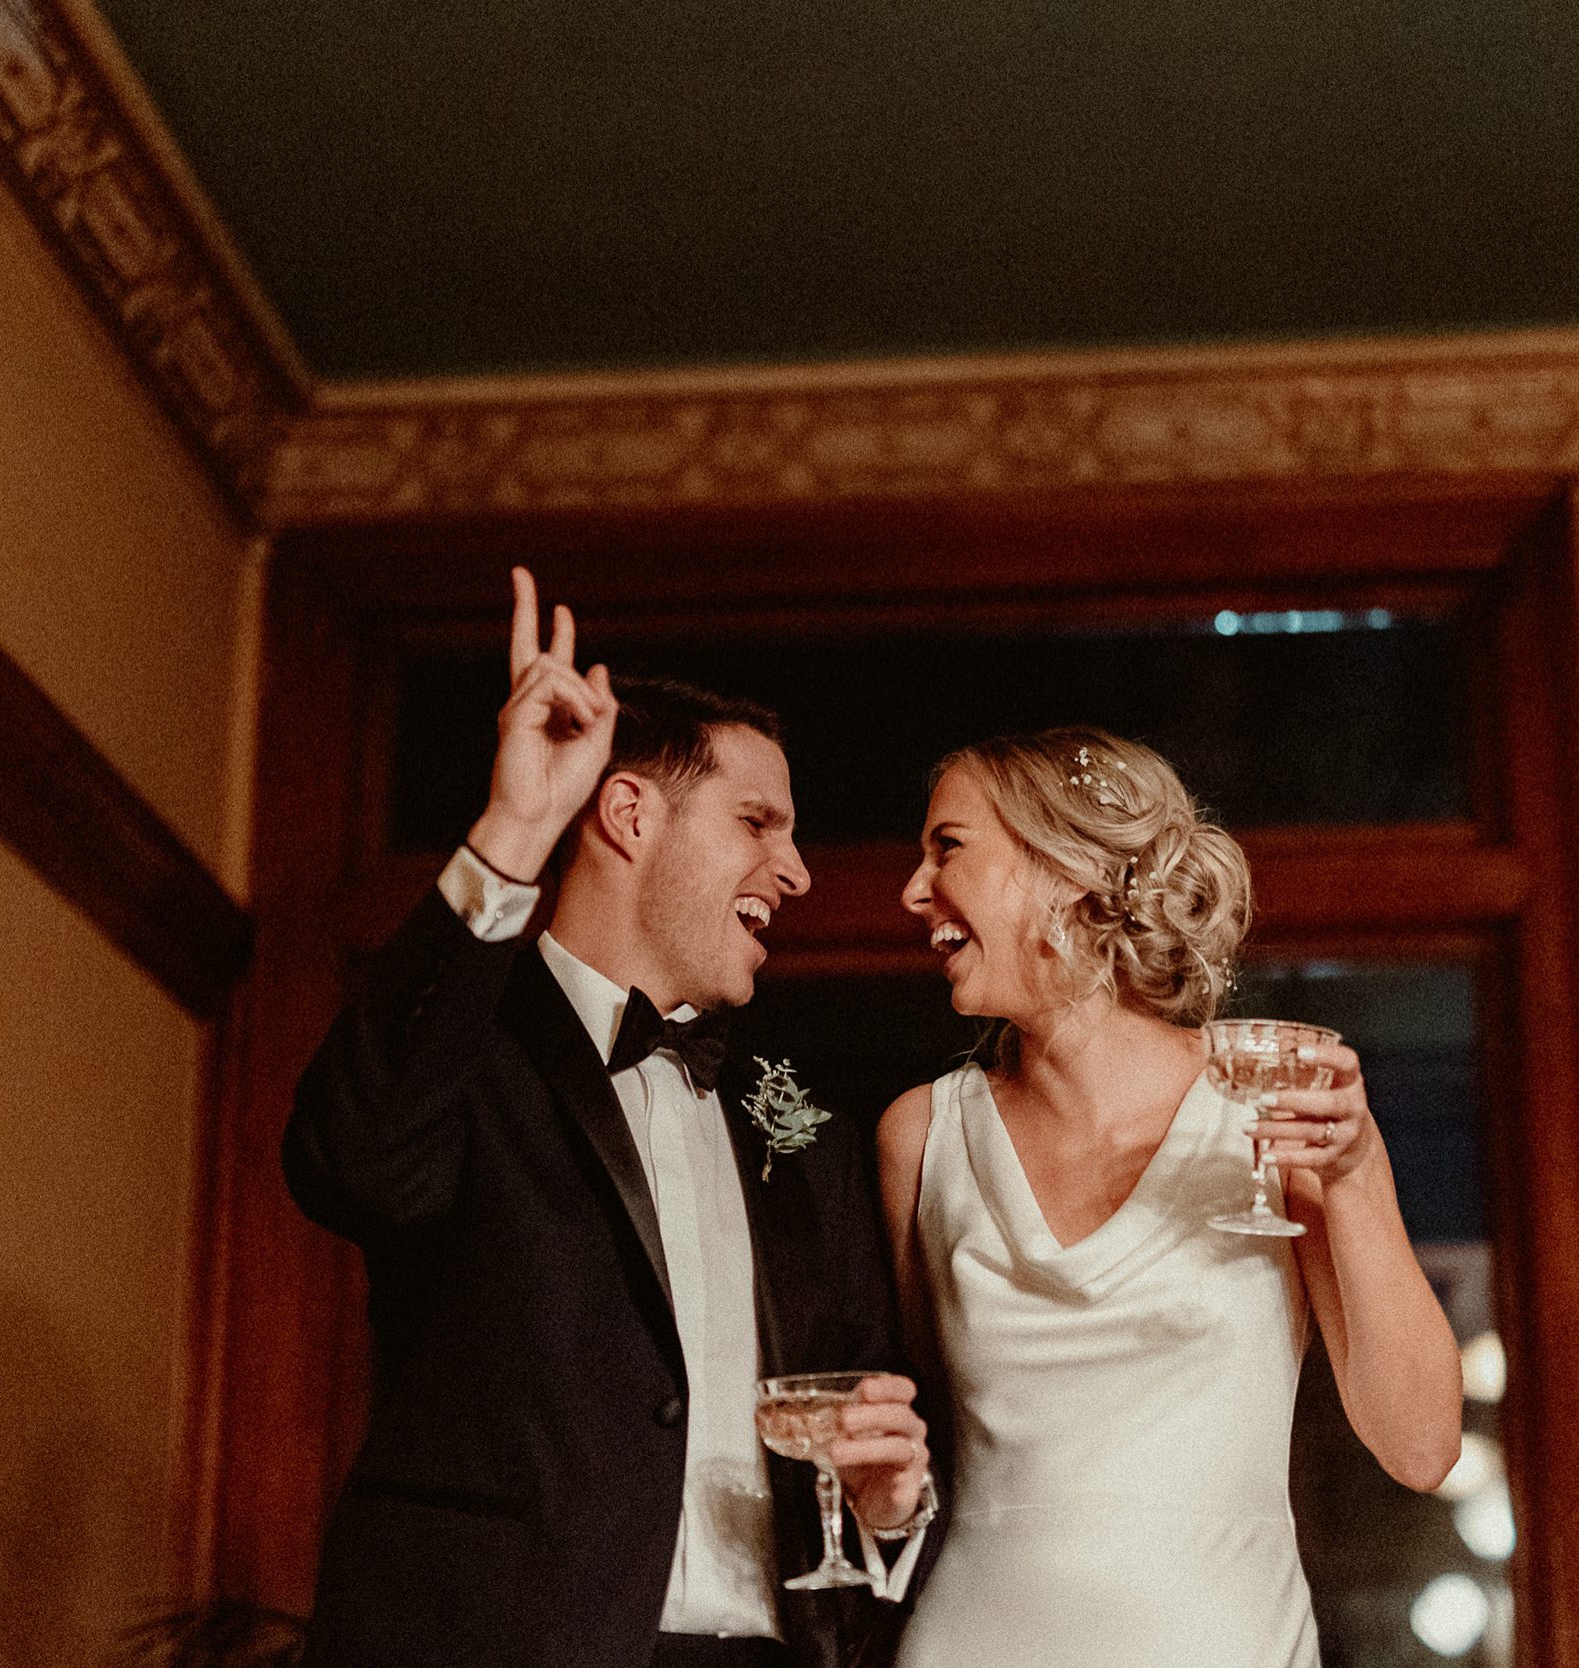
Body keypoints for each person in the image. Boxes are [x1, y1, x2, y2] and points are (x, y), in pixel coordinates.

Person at [285, 573, 935, 1668]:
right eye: (756, 822)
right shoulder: (464, 1045)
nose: (796, 869)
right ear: (629, 814)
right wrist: (514, 828)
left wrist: (888, 1503)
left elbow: (861, 1393)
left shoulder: (794, 1114)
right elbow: (349, 1164)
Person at [878, 727, 1462, 1668]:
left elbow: (1422, 1448)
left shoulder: (1284, 1111)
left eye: (947, 847)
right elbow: (922, 1451)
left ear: (1064, 873)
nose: (914, 889)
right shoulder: (921, 1136)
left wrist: (1352, 1180)